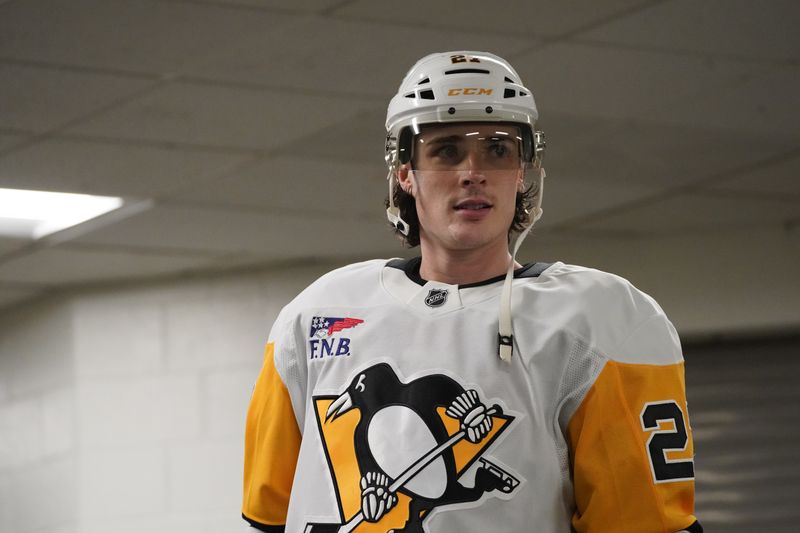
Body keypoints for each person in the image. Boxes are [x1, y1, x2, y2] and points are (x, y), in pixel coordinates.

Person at [242, 51, 701, 533]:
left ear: (523, 170)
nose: (473, 172)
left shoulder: (600, 321)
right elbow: (269, 513)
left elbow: (642, 523)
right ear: (404, 172)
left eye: (498, 150)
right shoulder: (317, 313)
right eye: (445, 150)